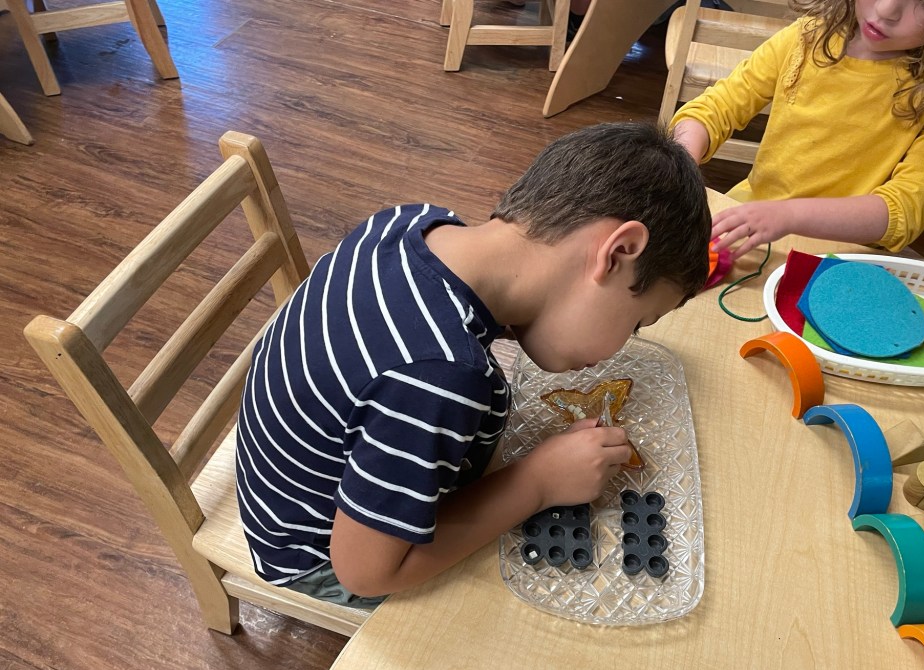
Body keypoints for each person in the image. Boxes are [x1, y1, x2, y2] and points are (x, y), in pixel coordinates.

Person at [234, 122, 711, 608]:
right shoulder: (437, 377)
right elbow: (364, 573)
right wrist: (538, 483)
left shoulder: (414, 223)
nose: (620, 346)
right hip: (318, 555)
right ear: (619, 252)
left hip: (303, 480)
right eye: (636, 323)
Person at [669, 0, 924, 259]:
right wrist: (681, 162)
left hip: (843, 262)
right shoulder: (809, 34)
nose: (886, 10)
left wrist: (788, 216)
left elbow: (906, 209)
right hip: (749, 226)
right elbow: (714, 108)